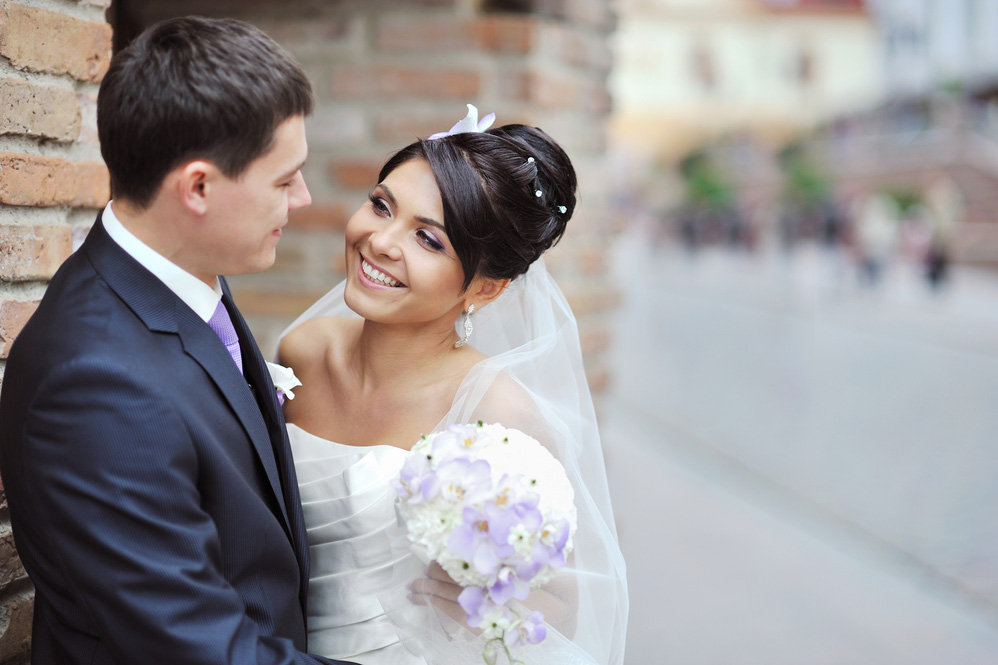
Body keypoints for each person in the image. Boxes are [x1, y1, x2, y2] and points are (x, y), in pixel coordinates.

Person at [0, 17, 354, 665]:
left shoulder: (185, 270)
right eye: (283, 179)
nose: (302, 198)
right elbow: (198, 646)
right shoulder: (95, 384)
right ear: (198, 187)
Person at [278, 105, 629, 664]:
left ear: (486, 290)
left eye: (428, 240)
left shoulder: (499, 413)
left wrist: (483, 607)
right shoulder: (303, 353)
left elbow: (562, 601)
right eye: (380, 205)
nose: (381, 242)